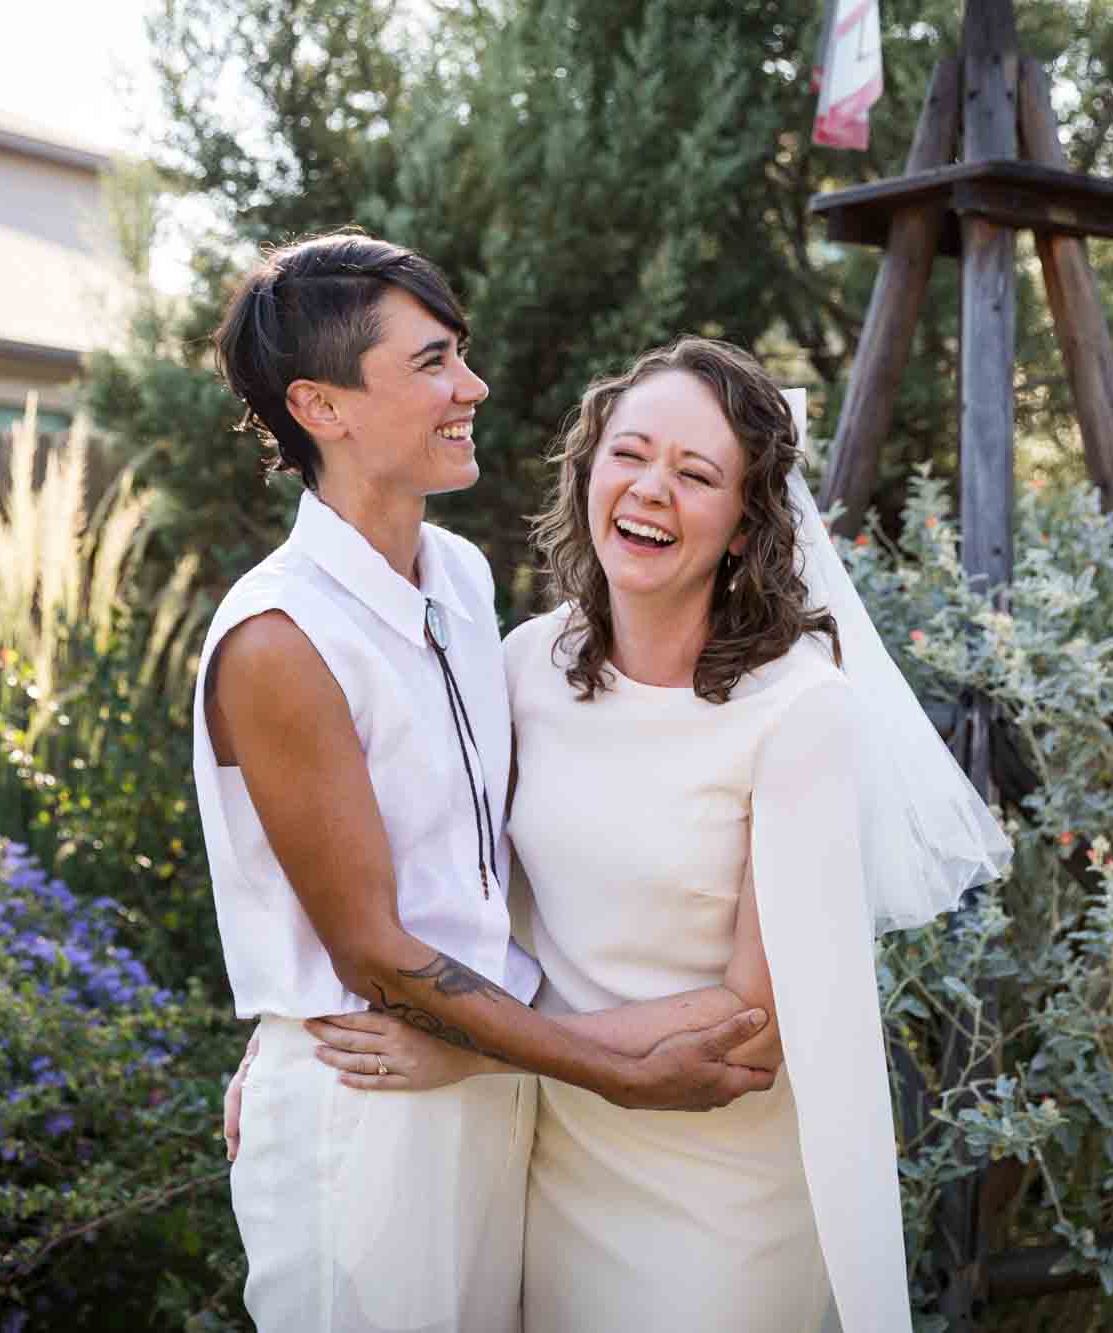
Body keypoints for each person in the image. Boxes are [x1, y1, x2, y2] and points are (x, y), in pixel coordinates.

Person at [300, 337, 1012, 1330]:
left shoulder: (800, 714)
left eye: (696, 474)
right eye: (628, 454)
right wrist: (282, 1048)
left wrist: (477, 1051)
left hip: (716, 1201)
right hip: (547, 1168)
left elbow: (748, 1022)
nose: (648, 491)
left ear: (742, 527)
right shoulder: (523, 665)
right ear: (588, 466)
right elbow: (420, 872)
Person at [196, 237, 778, 1333]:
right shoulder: (280, 639)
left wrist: (510, 1065)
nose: (472, 386)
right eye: (429, 363)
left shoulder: (461, 581)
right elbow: (367, 948)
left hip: (485, 1088)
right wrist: (619, 1074)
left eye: (458, 353)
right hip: (367, 1106)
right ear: (320, 406)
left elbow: (477, 862)